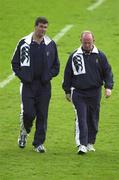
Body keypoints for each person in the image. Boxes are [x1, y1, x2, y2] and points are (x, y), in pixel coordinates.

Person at [11, 17, 60, 153]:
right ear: (35, 27)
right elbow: (14, 63)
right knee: (28, 113)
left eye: (45, 27)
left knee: (42, 115)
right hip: (28, 86)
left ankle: (38, 143)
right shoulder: (24, 43)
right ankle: (24, 132)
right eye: (41, 27)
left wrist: (48, 76)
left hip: (44, 86)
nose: (43, 30)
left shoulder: (50, 44)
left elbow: (56, 66)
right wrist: (24, 77)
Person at [62, 31, 114, 154]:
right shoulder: (74, 56)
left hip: (95, 92)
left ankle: (90, 142)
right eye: (85, 42)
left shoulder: (100, 56)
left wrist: (108, 87)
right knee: (82, 117)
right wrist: (67, 90)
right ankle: (82, 144)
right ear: (81, 41)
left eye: (89, 42)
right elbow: (67, 74)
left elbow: (107, 72)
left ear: (93, 41)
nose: (87, 45)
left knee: (93, 118)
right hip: (78, 92)